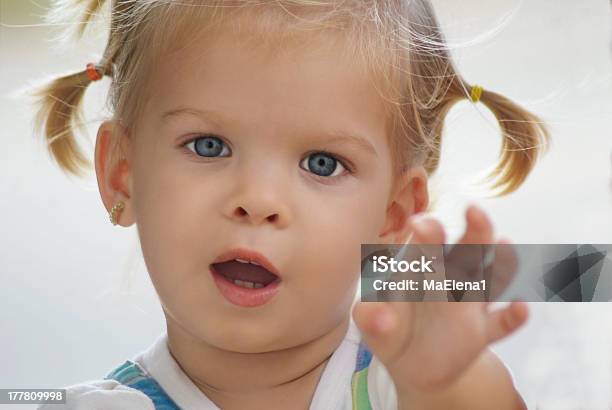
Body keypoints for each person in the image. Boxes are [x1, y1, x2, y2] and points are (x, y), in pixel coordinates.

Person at [32, 0, 549, 408]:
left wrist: (444, 384)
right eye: (208, 145)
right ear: (122, 175)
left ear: (393, 217)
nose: (257, 201)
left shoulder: (403, 385)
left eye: (322, 163)